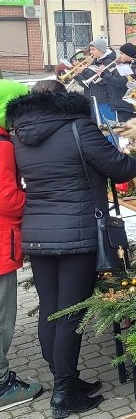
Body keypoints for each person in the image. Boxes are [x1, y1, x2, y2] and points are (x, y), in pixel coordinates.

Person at [6, 82, 136, 418]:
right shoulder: (79, 127)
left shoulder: (18, 135)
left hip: (37, 233)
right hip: (77, 234)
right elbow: (120, 167)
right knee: (69, 314)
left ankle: (65, 380)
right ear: (65, 101)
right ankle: (64, 395)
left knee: (50, 309)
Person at [0, 80, 44, 411]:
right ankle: (2, 386)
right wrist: (40, 198)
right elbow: (7, 199)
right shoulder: (2, 146)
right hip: (1, 245)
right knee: (2, 319)